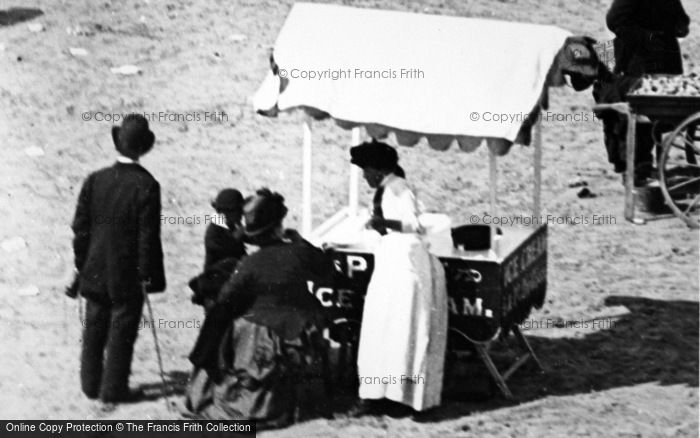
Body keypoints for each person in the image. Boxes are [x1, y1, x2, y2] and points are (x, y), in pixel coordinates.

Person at [184, 189, 335, 429]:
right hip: (300, 333)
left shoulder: (250, 264)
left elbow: (226, 298)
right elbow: (327, 268)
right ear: (278, 227)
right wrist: (299, 241)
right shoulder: (299, 253)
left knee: (225, 323)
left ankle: (214, 388)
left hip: (263, 335)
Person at [70, 114, 165, 405]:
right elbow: (147, 237)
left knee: (95, 326)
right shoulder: (147, 185)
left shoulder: (95, 179)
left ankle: (90, 384)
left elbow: (80, 228)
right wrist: (147, 275)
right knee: (122, 331)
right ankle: (114, 389)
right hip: (127, 272)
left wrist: (80, 264)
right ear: (144, 149)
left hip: (95, 268)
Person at [350, 140, 448, 413]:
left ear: (377, 170)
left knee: (401, 332)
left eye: (366, 171)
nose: (365, 176)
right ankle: (383, 394)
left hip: (405, 268)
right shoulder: (388, 189)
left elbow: (418, 225)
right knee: (387, 333)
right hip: (392, 265)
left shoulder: (398, 190)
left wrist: (385, 224)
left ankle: (398, 398)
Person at [605, 0, 691, 183]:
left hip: (666, 63)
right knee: (640, 115)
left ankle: (642, 167)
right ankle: (636, 168)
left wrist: (680, 26)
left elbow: (681, 19)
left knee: (658, 115)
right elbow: (614, 20)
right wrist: (648, 38)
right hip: (639, 62)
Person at [189, 189, 246, 310]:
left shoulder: (230, 226)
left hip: (228, 283)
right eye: (239, 211)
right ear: (225, 213)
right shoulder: (214, 230)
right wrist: (236, 237)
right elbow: (223, 249)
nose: (242, 215)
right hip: (215, 287)